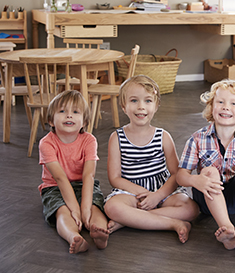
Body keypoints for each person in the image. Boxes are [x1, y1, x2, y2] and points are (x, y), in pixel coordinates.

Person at [103, 75, 199, 243]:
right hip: (131, 190)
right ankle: (172, 223)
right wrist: (142, 194)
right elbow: (115, 178)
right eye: (134, 101)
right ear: (123, 106)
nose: (141, 107)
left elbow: (176, 174)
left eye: (148, 101)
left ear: (156, 106)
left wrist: (157, 196)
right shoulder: (116, 137)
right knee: (112, 207)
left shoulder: (163, 136)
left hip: (161, 189)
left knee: (191, 209)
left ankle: (129, 221)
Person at [177, 79, 235, 250]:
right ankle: (226, 228)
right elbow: (181, 176)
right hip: (208, 201)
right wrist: (196, 181)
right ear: (211, 107)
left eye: (233, 103)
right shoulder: (197, 138)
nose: (226, 107)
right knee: (209, 171)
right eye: (220, 102)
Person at [38, 90, 110, 254]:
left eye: (75, 112)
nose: (69, 116)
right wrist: (75, 211)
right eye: (62, 111)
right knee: (62, 212)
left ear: (84, 121)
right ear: (51, 120)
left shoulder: (89, 140)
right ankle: (73, 237)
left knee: (95, 208)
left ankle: (99, 233)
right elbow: (60, 178)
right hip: (55, 186)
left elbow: (89, 175)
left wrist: (85, 208)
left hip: (83, 183)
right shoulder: (46, 143)